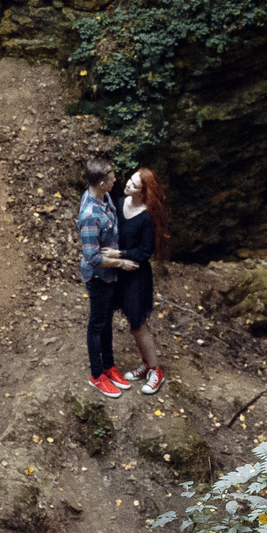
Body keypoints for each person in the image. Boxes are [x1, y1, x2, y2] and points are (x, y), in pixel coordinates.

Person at [104, 167, 170, 396]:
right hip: (120, 272)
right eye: (129, 181)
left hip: (136, 275)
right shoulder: (121, 202)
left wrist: (119, 255)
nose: (128, 185)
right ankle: (146, 364)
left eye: (134, 185)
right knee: (133, 324)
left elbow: (145, 251)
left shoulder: (147, 216)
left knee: (138, 324)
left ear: (144, 192)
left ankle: (155, 370)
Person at [76, 157, 137, 398]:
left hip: (110, 276)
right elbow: (92, 257)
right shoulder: (90, 215)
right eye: (111, 177)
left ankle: (109, 366)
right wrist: (121, 262)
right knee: (97, 324)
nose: (115, 179)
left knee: (106, 321)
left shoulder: (104, 197)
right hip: (98, 278)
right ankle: (96, 375)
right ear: (102, 183)